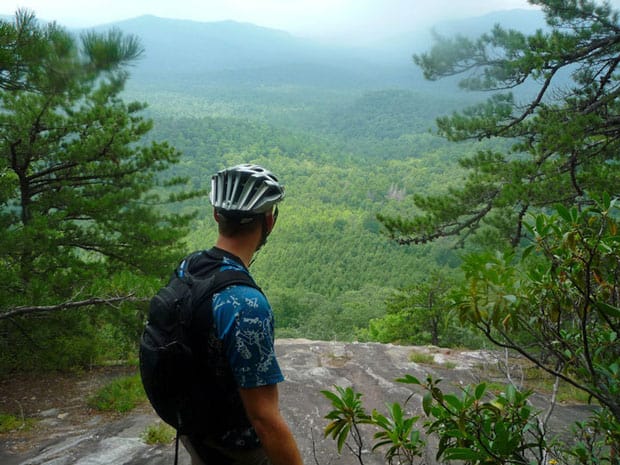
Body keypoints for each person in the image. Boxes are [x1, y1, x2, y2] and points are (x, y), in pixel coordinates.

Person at [180, 163, 303, 465]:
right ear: (269, 221)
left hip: (194, 431)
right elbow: (264, 419)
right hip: (235, 448)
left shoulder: (190, 267)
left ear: (216, 216)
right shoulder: (245, 305)